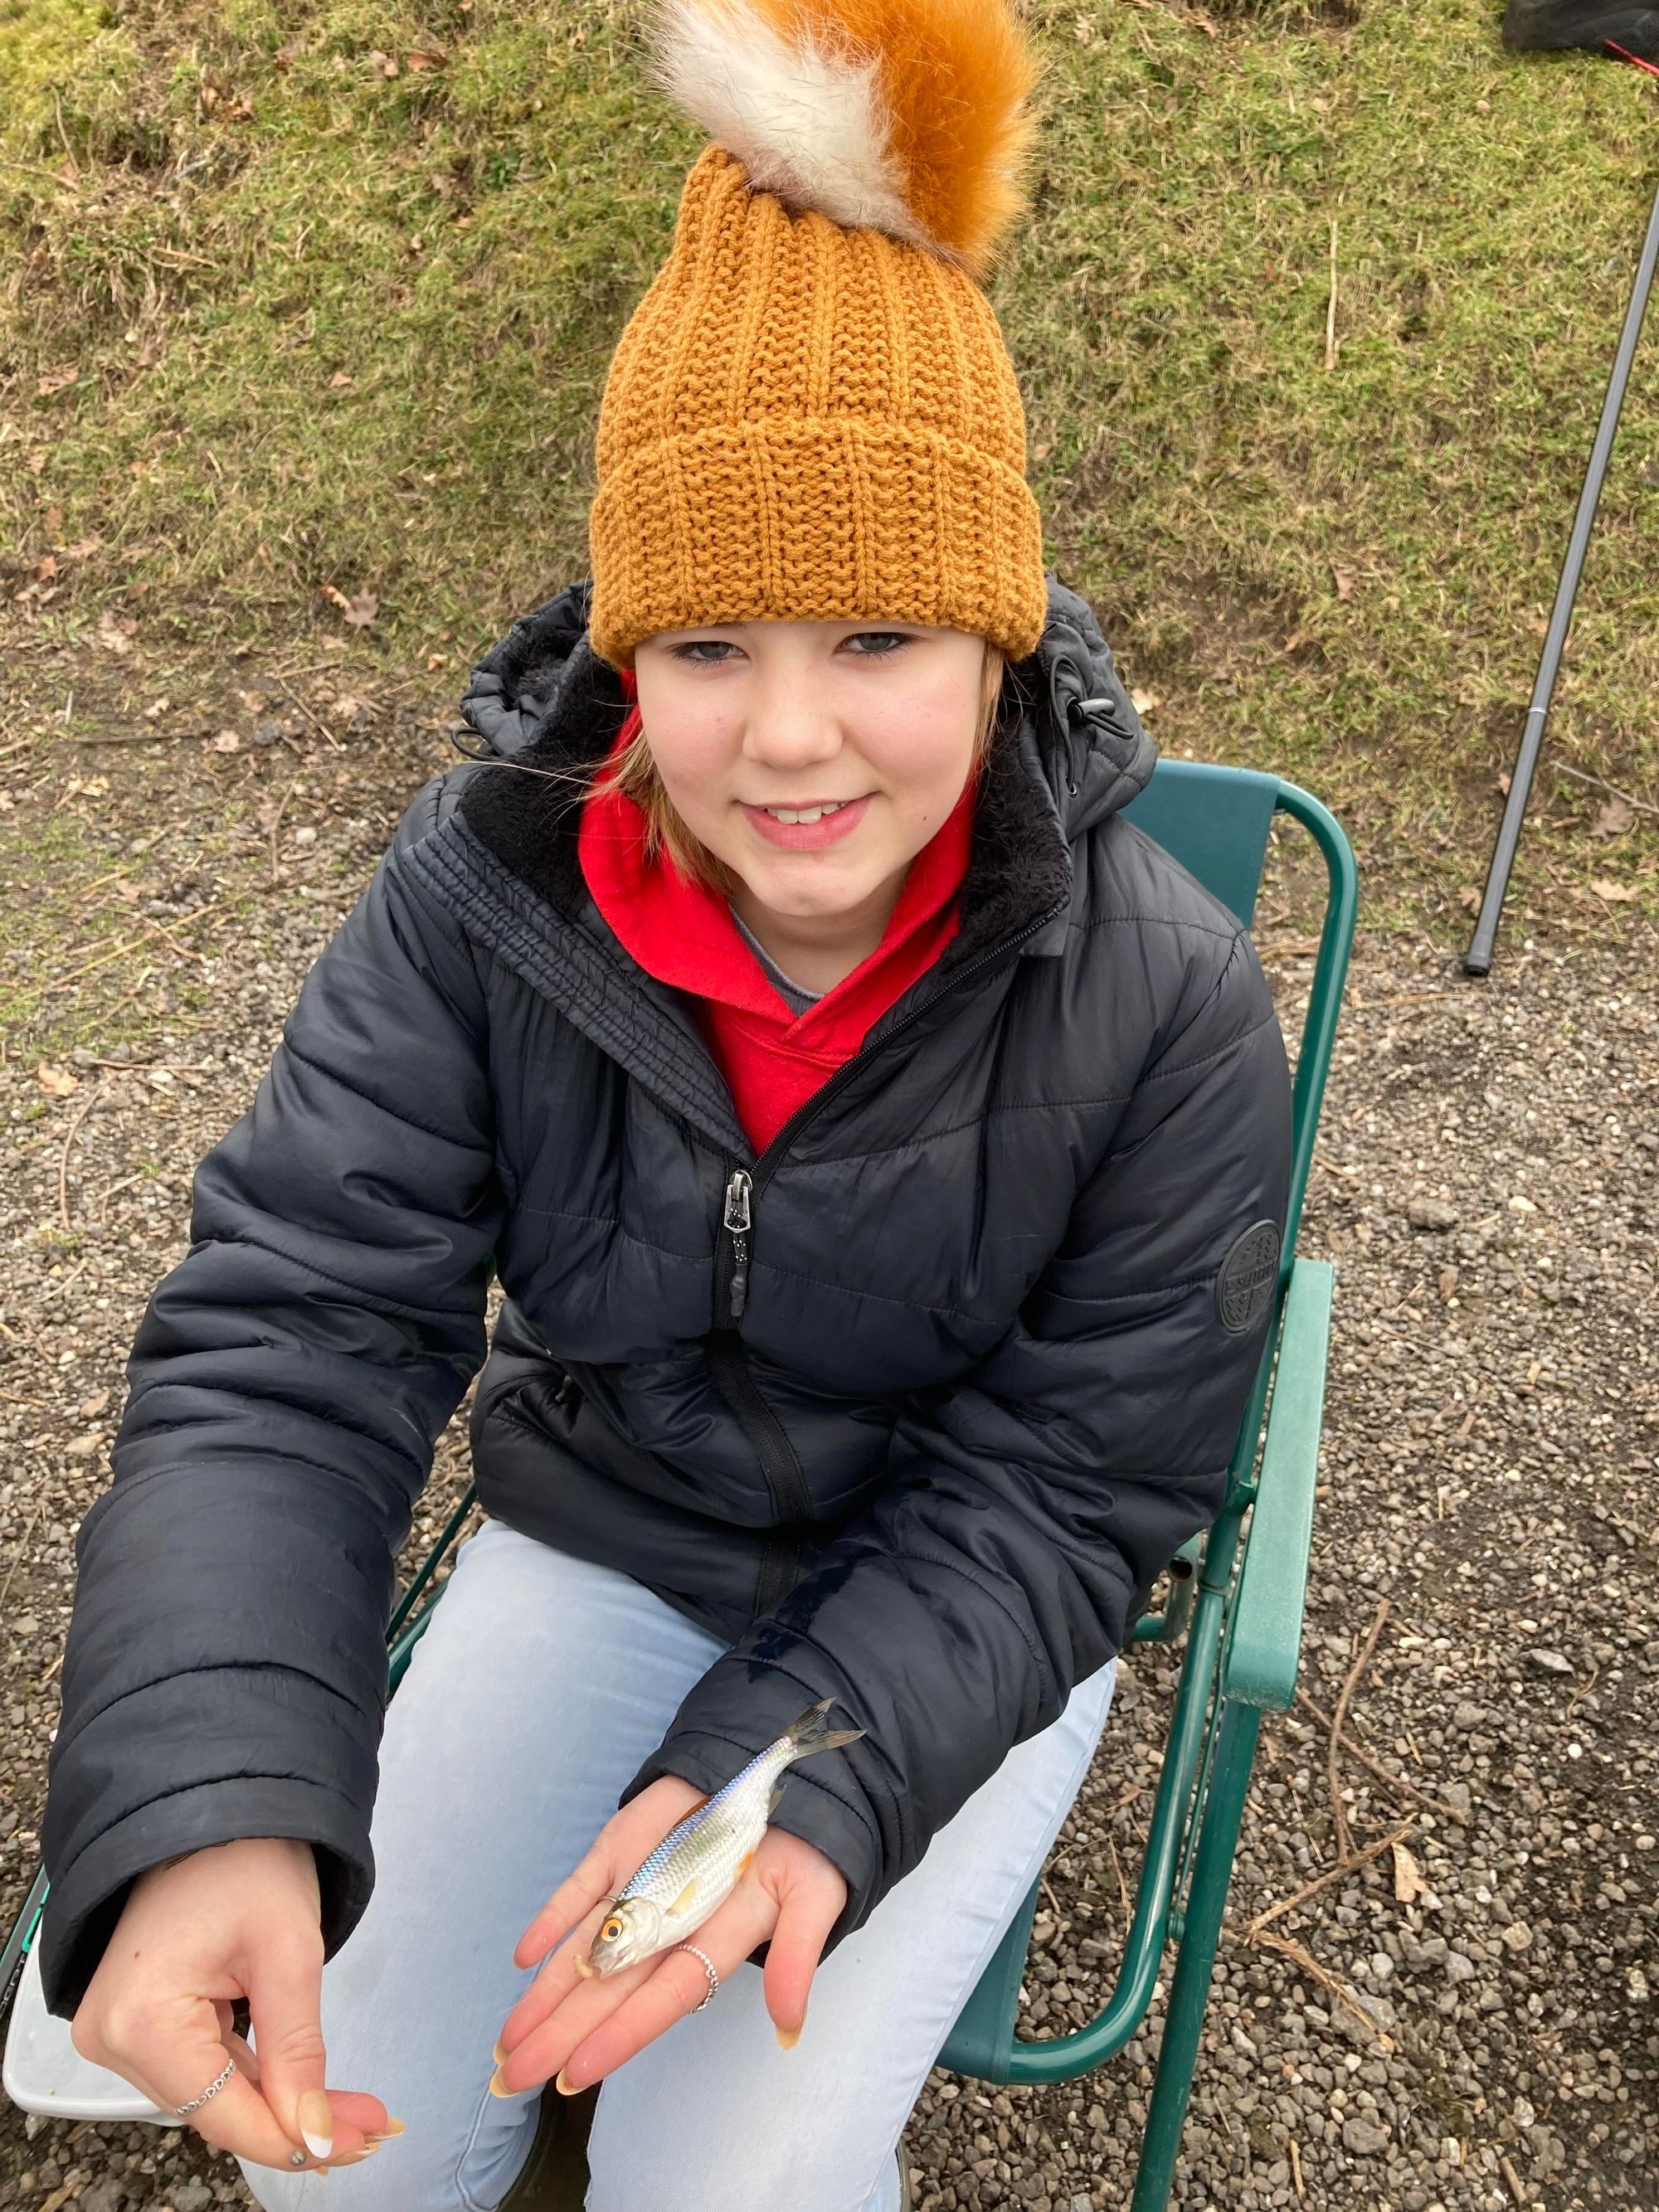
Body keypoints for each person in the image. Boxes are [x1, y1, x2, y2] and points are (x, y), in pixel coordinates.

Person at [36, 2, 1294, 2206]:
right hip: (605, 1532)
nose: (791, 738)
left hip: (953, 1597)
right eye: (709, 645)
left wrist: (806, 1777)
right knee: (342, 2155)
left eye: (878, 638)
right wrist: (215, 1786)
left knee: (732, 2189)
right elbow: (298, 1325)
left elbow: (1080, 1476)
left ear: (999, 636)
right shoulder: (483, 897)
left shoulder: (1168, 997)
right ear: (627, 656)